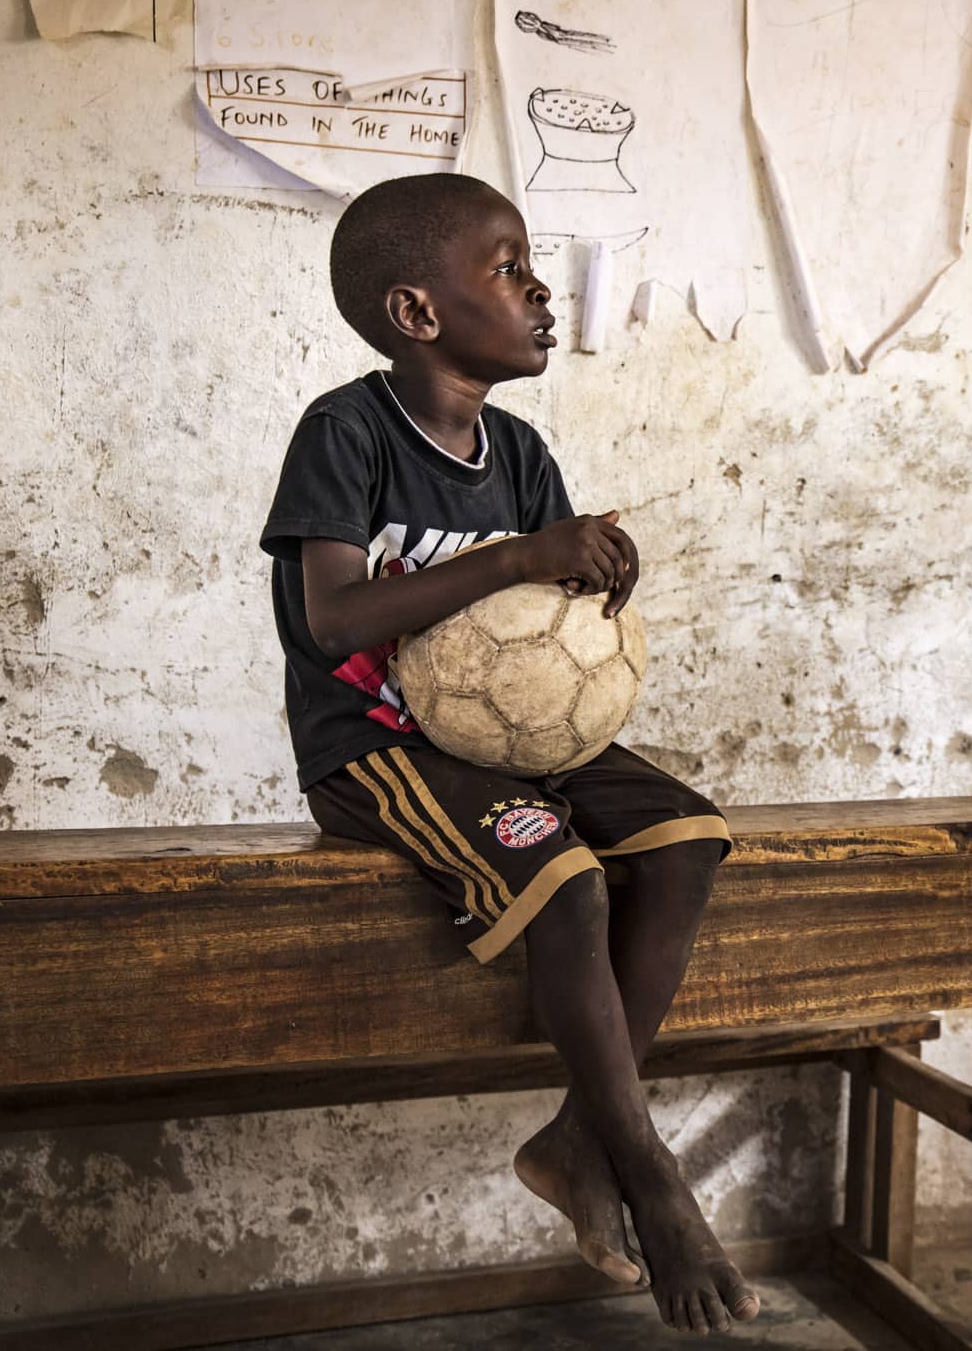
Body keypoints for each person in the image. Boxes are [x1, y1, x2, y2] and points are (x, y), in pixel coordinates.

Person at [260, 172, 758, 1335]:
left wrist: (593, 577)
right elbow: (331, 621)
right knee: (567, 880)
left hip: (503, 744)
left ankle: (579, 1141)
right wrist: (520, 559)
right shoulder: (345, 434)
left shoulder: (521, 452)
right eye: (506, 267)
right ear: (418, 313)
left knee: (687, 836)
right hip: (375, 749)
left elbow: (540, 634)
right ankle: (652, 1174)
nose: (539, 291)